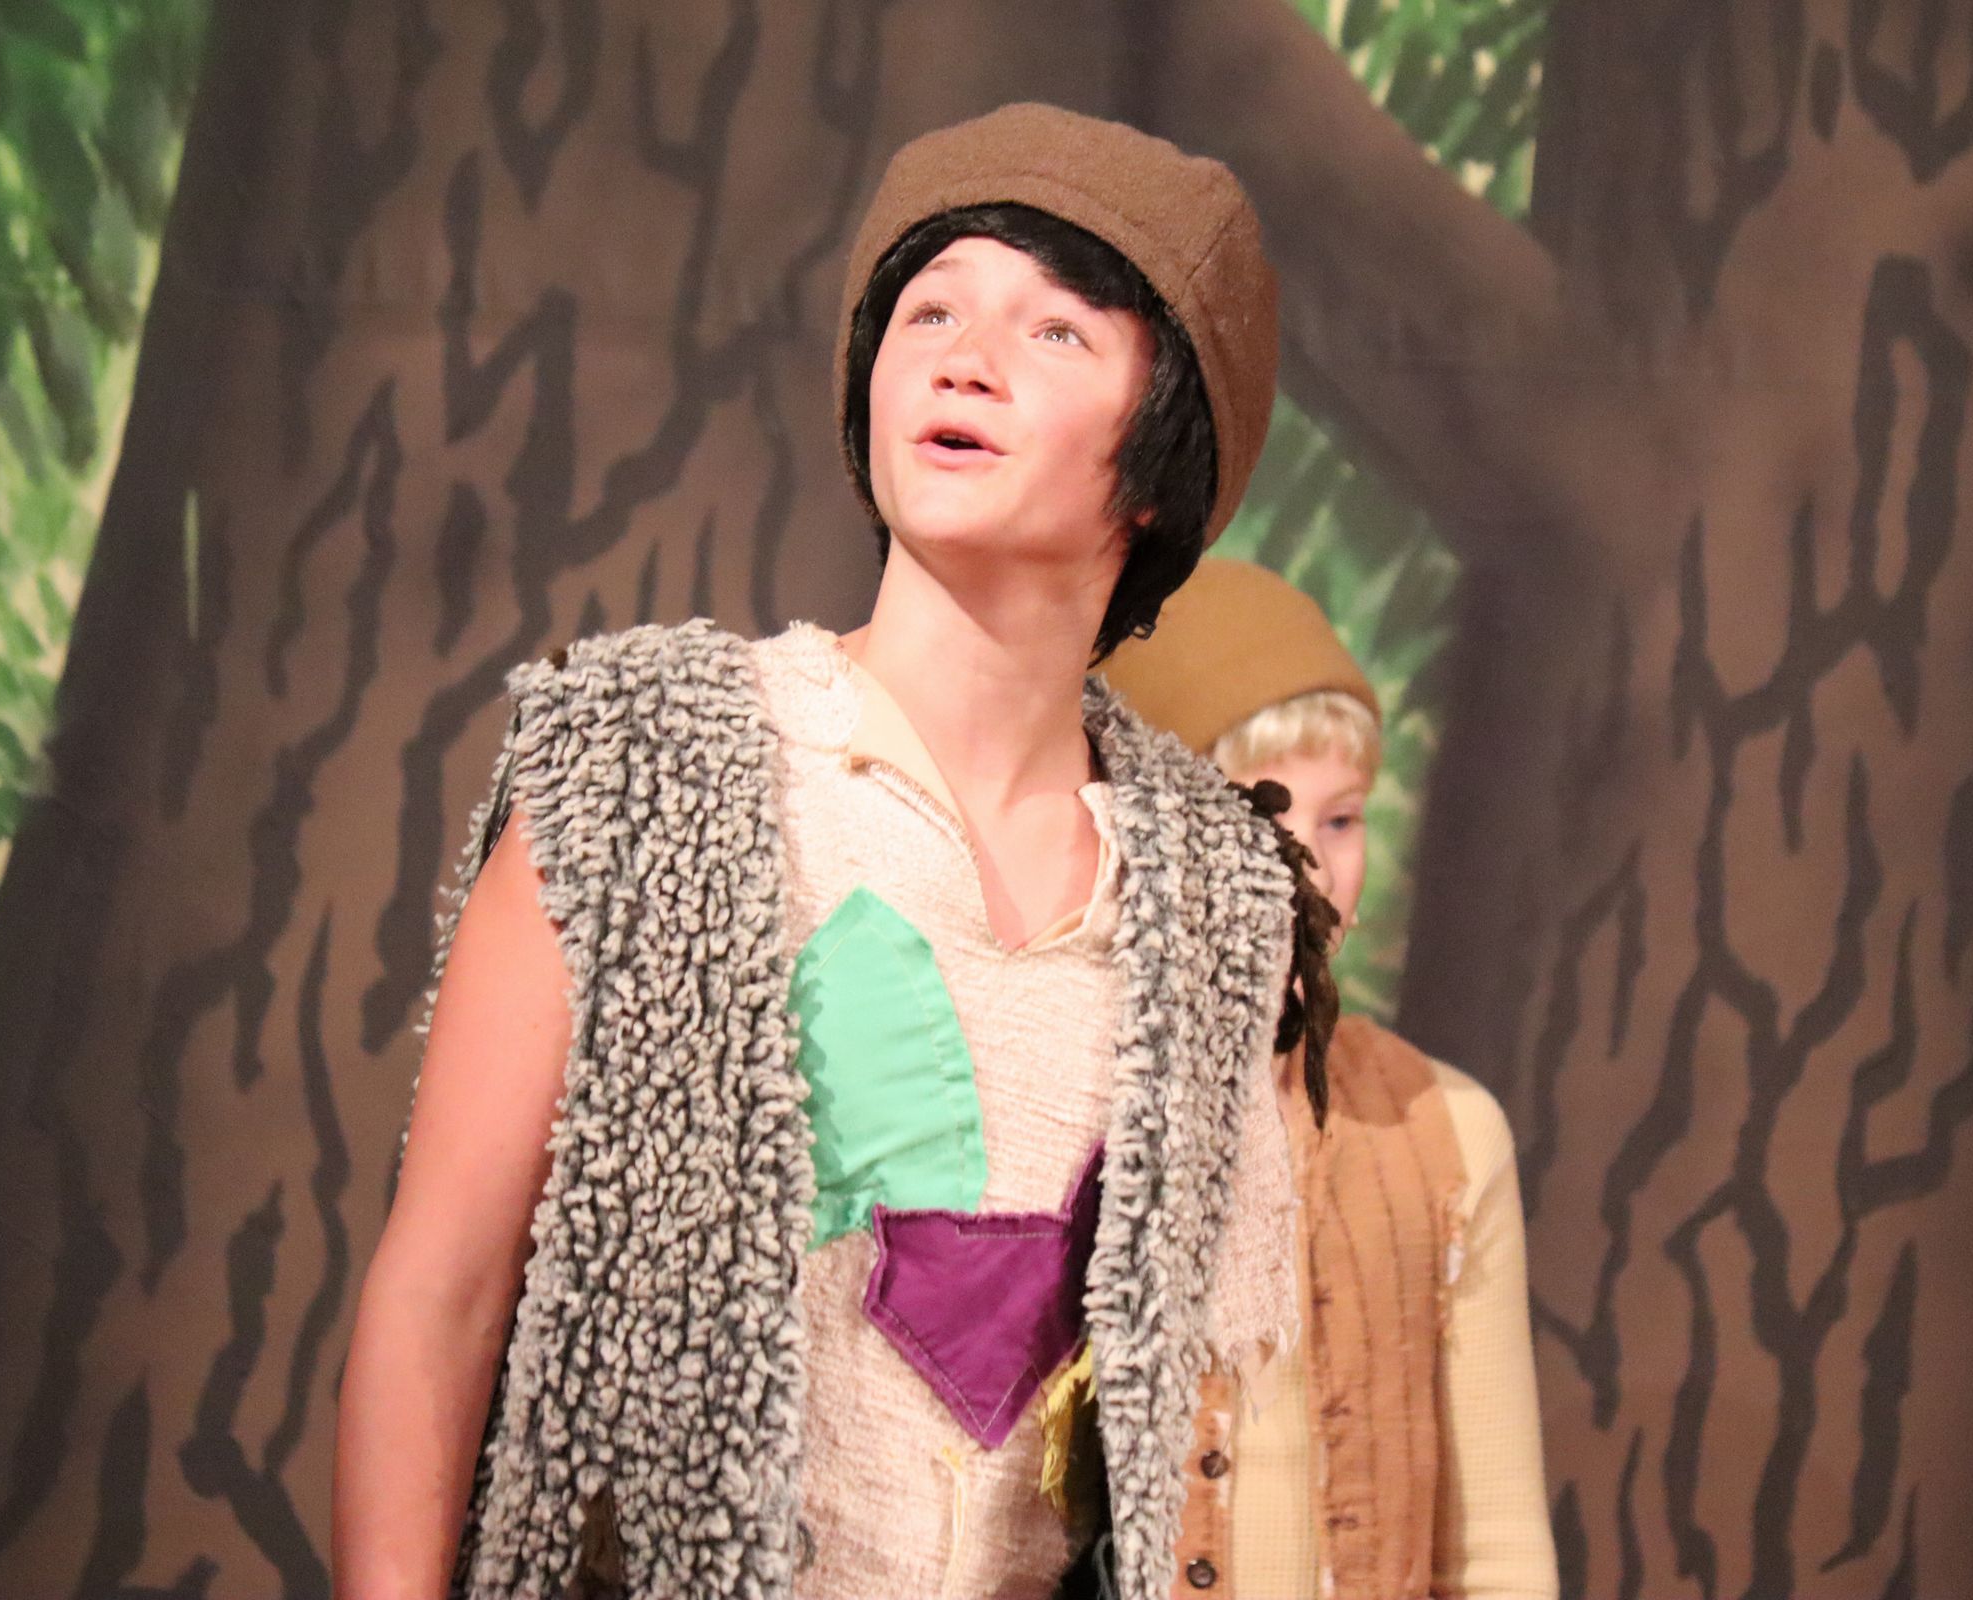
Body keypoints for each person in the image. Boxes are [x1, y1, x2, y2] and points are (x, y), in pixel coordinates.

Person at [332, 105, 1328, 1600]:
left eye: (1056, 330)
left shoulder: (1209, 900)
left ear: (1158, 466)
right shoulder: (645, 760)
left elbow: (1216, 1422)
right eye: (929, 311)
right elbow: (441, 1296)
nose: (965, 357)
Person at [1100, 559, 1558, 1600]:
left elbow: (1495, 1555)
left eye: (1342, 817)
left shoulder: (1441, 1132)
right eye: (1260, 810)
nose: (1310, 862)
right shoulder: (1048, 1101)